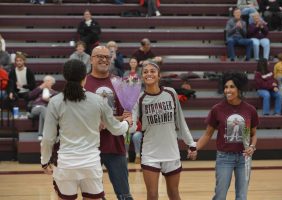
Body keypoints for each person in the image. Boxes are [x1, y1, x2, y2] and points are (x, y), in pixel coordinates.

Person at [41, 59, 132, 200]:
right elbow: (116, 129)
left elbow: (48, 138)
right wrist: (127, 122)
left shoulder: (55, 101)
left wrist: (44, 160)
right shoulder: (98, 100)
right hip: (91, 164)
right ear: (85, 77)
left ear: (65, 77)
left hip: (66, 164)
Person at [135, 62, 197, 200]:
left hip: (171, 152)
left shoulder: (171, 93)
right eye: (145, 72)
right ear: (142, 76)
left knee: (174, 194)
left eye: (152, 71)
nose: (149, 74)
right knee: (152, 195)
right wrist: (126, 120)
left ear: (159, 75)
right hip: (150, 153)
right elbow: (133, 127)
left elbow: (180, 120)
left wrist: (191, 143)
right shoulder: (139, 98)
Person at [193, 72, 258, 200]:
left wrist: (252, 146)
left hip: (244, 158)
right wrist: (195, 148)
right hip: (224, 157)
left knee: (242, 196)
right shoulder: (217, 109)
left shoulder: (250, 110)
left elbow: (253, 134)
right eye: (226, 87)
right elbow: (207, 134)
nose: (228, 90)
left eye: (232, 87)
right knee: (220, 195)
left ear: (239, 89)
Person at [85, 46, 134, 200]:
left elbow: (126, 115)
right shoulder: (83, 82)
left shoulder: (118, 83)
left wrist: (110, 121)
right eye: (99, 56)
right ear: (91, 59)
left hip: (115, 146)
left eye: (107, 57)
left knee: (124, 195)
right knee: (94, 196)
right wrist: (93, 122)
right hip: (90, 148)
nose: (104, 60)